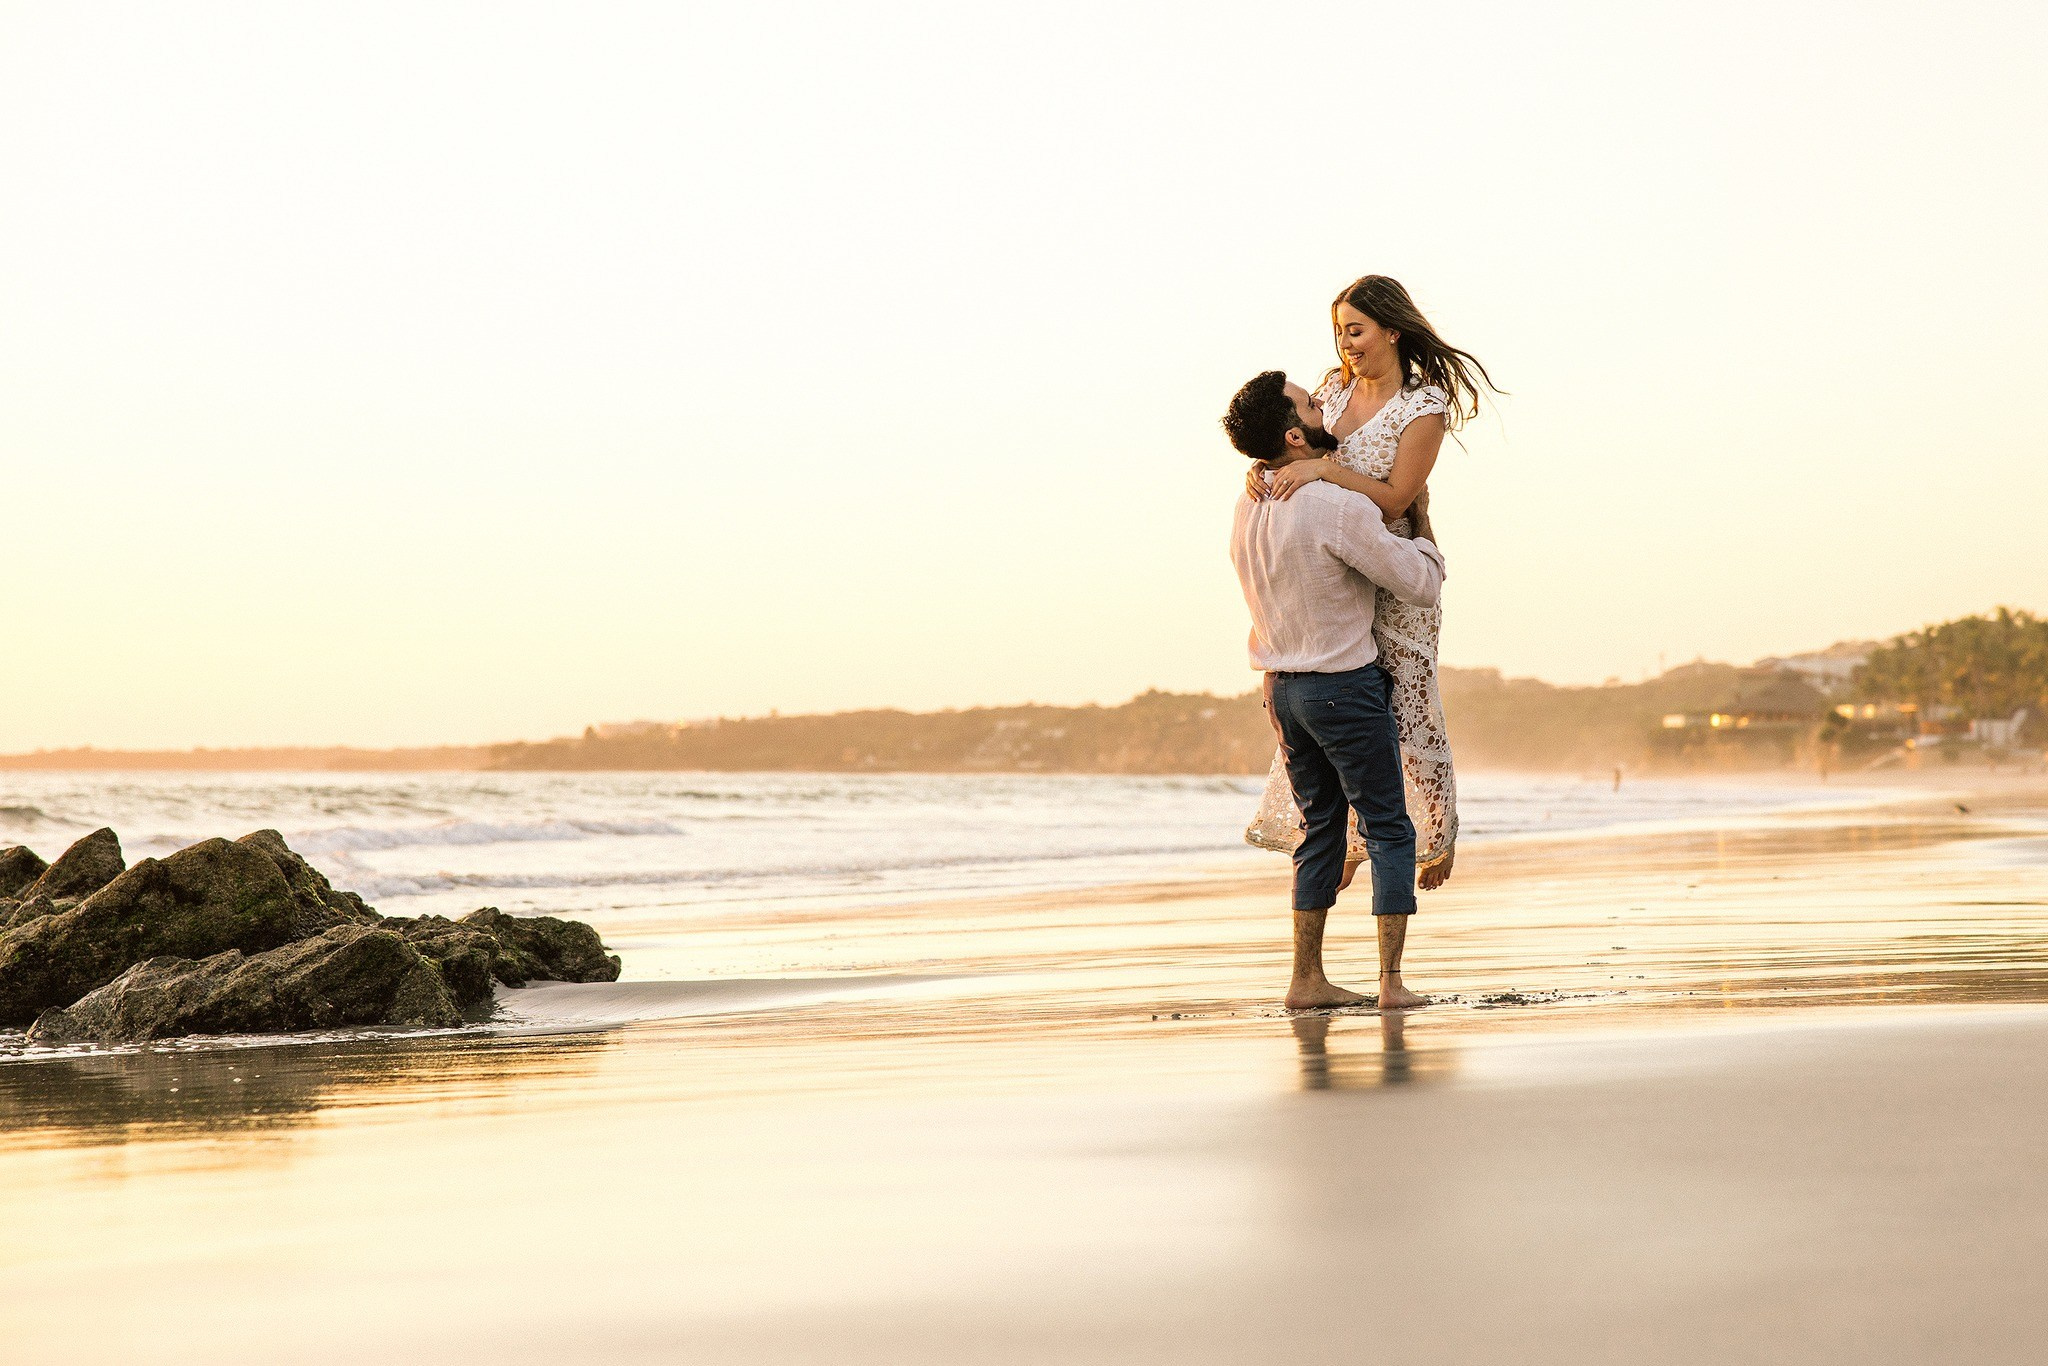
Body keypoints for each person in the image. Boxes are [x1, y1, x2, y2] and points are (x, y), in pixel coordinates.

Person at [1244, 276, 1498, 893]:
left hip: (1392, 565)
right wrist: (1264, 469)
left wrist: (1321, 470)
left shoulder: (1423, 407)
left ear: (1392, 329)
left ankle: (1435, 834)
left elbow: (1396, 498)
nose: (1346, 344)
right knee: (1342, 700)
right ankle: (1349, 839)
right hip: (1334, 572)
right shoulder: (1331, 390)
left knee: (1406, 703)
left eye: (1355, 330)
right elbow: (1294, 442)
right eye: (1338, 332)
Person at [1223, 370, 1446, 1010]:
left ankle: (1306, 979)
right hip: (1340, 685)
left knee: (1320, 828)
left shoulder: (1249, 503)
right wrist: (1422, 523)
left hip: (1280, 690)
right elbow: (1419, 584)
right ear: (1295, 434)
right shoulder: (1334, 507)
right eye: (1311, 404)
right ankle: (1391, 984)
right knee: (1388, 826)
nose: (1325, 404)